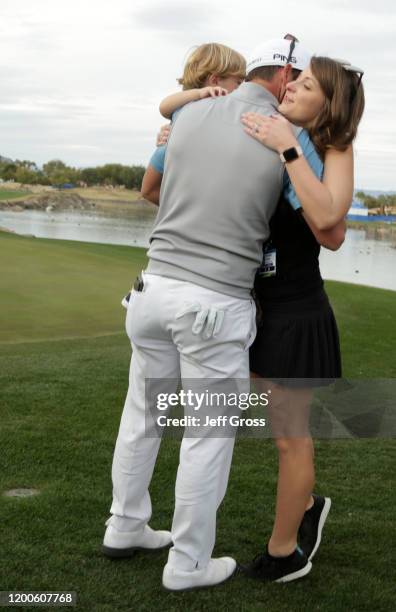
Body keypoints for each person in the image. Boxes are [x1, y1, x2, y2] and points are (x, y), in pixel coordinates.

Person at [103, 37, 313, 590]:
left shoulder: (189, 110)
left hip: (151, 290)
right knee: (207, 435)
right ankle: (189, 563)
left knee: (142, 416)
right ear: (285, 75)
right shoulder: (286, 133)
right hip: (213, 302)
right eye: (303, 78)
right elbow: (320, 219)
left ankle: (125, 525)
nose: (304, 90)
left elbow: (156, 171)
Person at [238, 54, 365, 579]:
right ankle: (307, 505)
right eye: (295, 79)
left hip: (295, 311)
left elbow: (330, 223)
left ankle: (284, 551)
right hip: (250, 307)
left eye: (306, 84)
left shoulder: (331, 146)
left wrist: (287, 147)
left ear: (327, 102)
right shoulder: (267, 126)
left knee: (291, 436)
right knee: (256, 424)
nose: (291, 86)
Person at [140, 42, 245, 204]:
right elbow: (163, 107)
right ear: (215, 80)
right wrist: (199, 93)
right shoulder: (186, 107)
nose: (242, 89)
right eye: (238, 83)